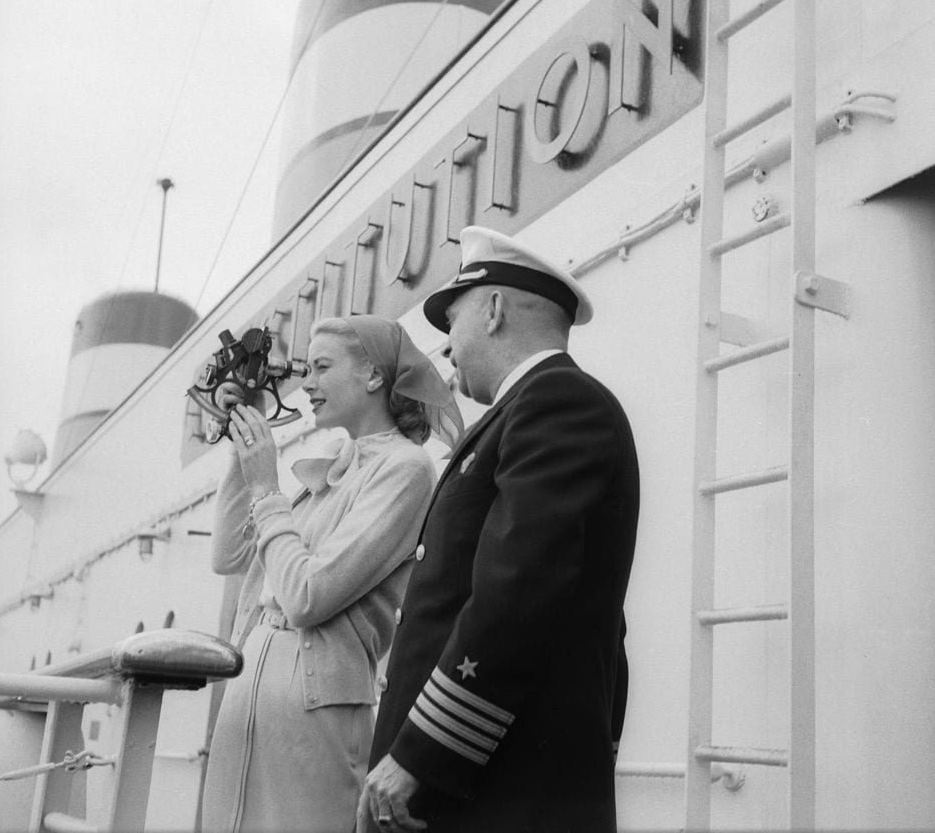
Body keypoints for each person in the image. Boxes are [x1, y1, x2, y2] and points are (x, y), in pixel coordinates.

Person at [357, 226, 640, 833]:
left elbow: (519, 592)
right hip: (481, 779)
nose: (448, 350)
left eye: (451, 323)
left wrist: (419, 754)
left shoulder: (557, 401)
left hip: (494, 790)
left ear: (493, 310)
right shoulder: (529, 411)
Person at [201, 315, 463, 833]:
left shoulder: (405, 469)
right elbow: (229, 554)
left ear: (372, 377)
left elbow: (305, 596)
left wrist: (266, 488)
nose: (306, 384)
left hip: (314, 709)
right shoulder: (333, 461)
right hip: (249, 693)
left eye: (322, 367)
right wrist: (243, 446)